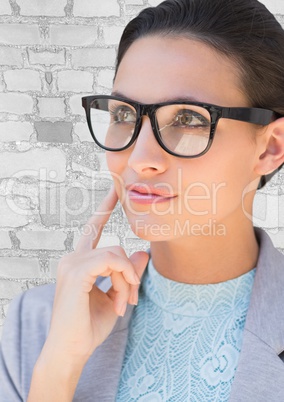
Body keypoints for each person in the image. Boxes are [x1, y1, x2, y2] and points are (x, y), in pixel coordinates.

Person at [1, 0, 284, 400]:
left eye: (188, 119)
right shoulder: (36, 326)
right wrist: (59, 368)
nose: (139, 158)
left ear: (270, 148)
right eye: (124, 115)